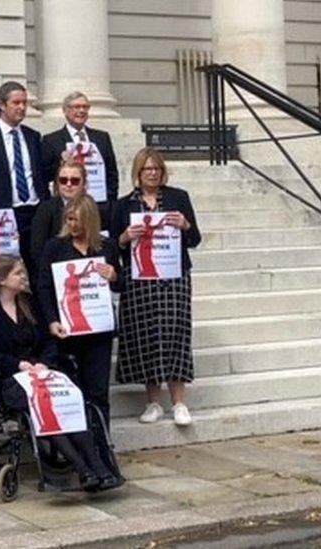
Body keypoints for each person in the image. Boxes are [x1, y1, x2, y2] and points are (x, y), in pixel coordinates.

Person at [0, 255, 123, 491]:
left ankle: (99, 468)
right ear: (1, 279)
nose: (24, 277)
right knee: (46, 406)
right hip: (6, 375)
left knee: (68, 401)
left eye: (23, 272)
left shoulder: (28, 303)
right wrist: (16, 364)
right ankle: (84, 469)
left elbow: (49, 342)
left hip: (40, 372)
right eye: (18, 273)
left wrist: (43, 363)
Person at [111, 148, 201, 426]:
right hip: (140, 279)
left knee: (176, 333)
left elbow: (195, 238)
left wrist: (185, 224)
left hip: (173, 277)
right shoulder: (123, 205)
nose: (152, 173)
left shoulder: (178, 198)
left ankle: (179, 403)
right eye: (146, 169)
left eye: (156, 169)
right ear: (137, 173)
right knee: (146, 336)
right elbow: (113, 245)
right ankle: (153, 402)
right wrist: (125, 237)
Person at [37, 195, 120, 423]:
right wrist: (52, 320)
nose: (73, 225)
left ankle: (102, 448)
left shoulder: (107, 247)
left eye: (78, 220)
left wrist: (114, 275)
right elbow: (43, 287)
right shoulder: (54, 247)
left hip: (98, 330)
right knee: (75, 391)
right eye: (69, 219)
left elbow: (120, 283)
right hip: (68, 329)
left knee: (98, 392)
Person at [0, 81, 48, 275]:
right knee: (7, 272)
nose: (22, 107)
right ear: (2, 105)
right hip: (5, 213)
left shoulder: (33, 136)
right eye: (16, 103)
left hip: (36, 211)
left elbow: (41, 173)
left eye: (24, 103)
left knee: (38, 268)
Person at [40, 92, 119, 225]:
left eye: (85, 107)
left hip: (98, 206)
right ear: (65, 110)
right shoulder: (52, 140)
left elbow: (111, 173)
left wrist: (109, 201)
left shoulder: (102, 138)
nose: (81, 111)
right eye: (76, 107)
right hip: (67, 209)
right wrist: (61, 164)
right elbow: (43, 175)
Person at [30, 159, 98, 269]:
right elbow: (37, 251)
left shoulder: (92, 207)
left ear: (84, 183)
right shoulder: (46, 209)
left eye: (75, 181)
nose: (68, 184)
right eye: (63, 180)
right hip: (55, 271)